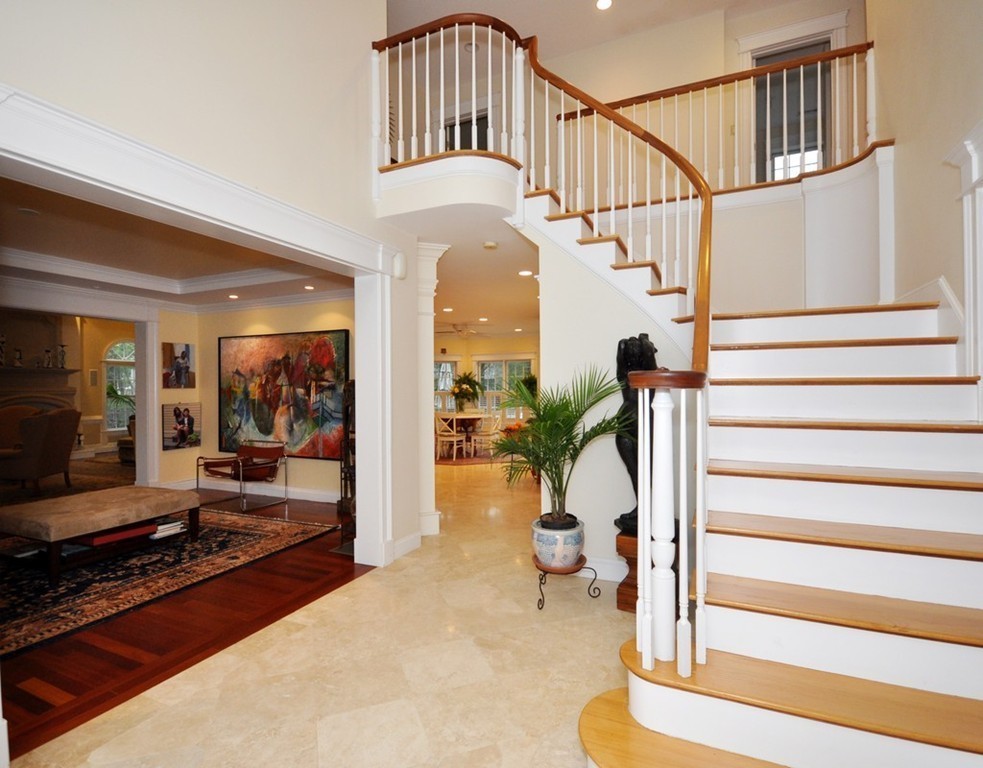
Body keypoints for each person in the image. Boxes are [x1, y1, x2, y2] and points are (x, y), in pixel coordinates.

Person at [614, 333, 658, 536]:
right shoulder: (626, 376)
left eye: (635, 347)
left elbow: (648, 351)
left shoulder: (649, 376)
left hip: (643, 425)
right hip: (624, 427)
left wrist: (643, 339)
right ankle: (642, 507)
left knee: (646, 469)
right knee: (634, 471)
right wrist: (628, 342)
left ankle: (649, 508)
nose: (630, 348)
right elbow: (620, 350)